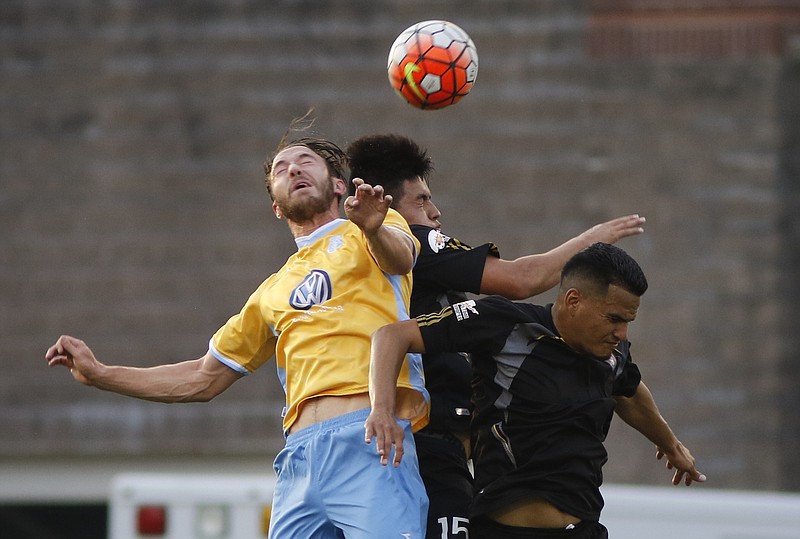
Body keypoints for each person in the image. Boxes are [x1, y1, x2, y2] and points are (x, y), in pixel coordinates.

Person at [45, 132, 430, 538]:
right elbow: (202, 377)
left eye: (305, 161)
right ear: (276, 208)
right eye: (281, 169)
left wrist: (370, 228)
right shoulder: (271, 291)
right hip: (299, 457)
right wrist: (100, 374)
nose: (293, 168)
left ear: (338, 184)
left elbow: (401, 259)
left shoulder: (373, 224)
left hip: (368, 436)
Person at [347, 134, 647, 539]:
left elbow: (627, 386)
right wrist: (592, 242)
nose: (436, 212)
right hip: (423, 448)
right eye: (421, 200)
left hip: (429, 452)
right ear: (385, 207)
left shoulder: (365, 259)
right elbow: (523, 279)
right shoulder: (417, 244)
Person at [365, 242, 706, 539]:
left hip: (585, 528)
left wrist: (670, 444)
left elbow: (629, 392)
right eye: (615, 318)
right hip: (506, 531)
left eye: (628, 321)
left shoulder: (612, 356)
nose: (623, 333)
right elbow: (392, 336)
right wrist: (381, 410)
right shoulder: (505, 324)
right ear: (573, 300)